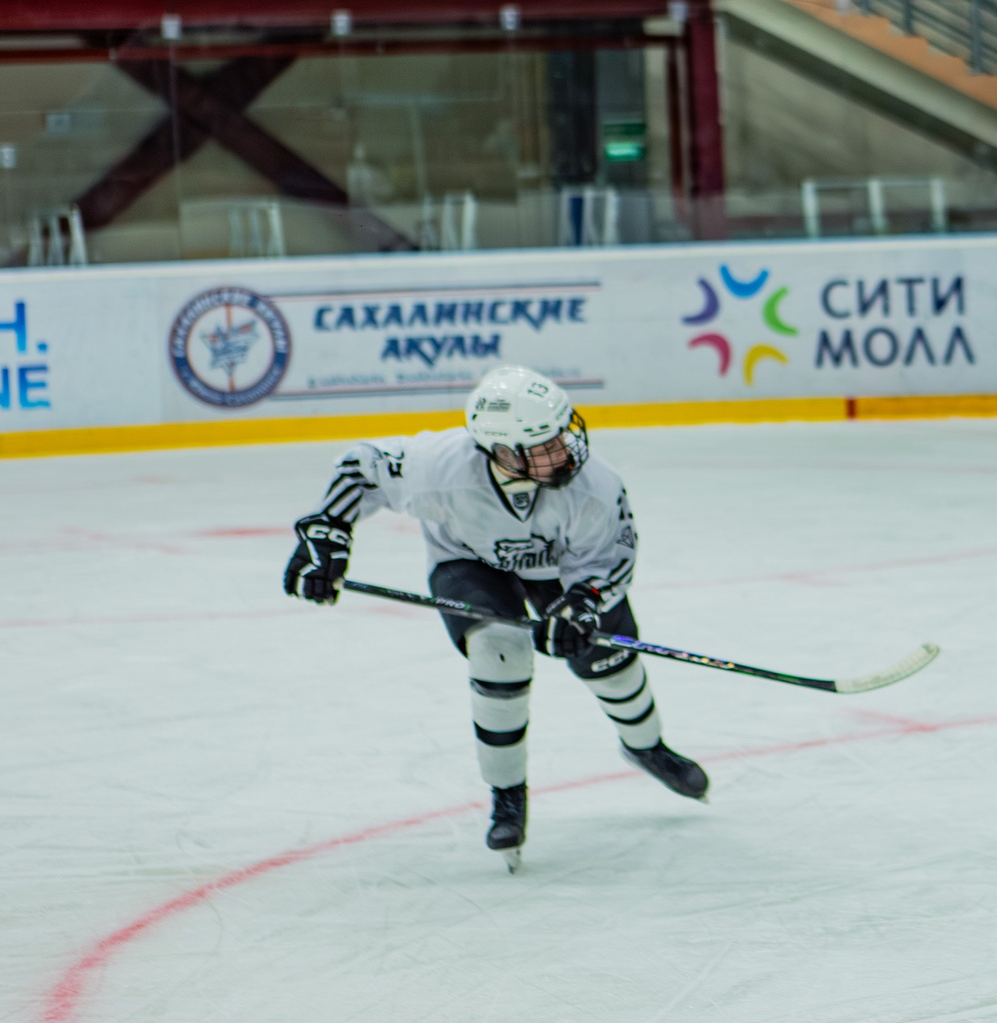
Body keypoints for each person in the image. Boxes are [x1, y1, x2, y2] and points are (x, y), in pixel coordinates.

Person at [281, 364, 709, 867]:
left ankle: (646, 746)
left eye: (563, 434)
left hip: (561, 569)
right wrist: (327, 530)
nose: (565, 451)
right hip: (469, 563)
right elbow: (362, 466)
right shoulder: (439, 466)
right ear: (500, 451)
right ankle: (507, 795)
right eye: (545, 447)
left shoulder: (596, 486)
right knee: (497, 654)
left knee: (609, 663)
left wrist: (584, 602)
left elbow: (609, 561)